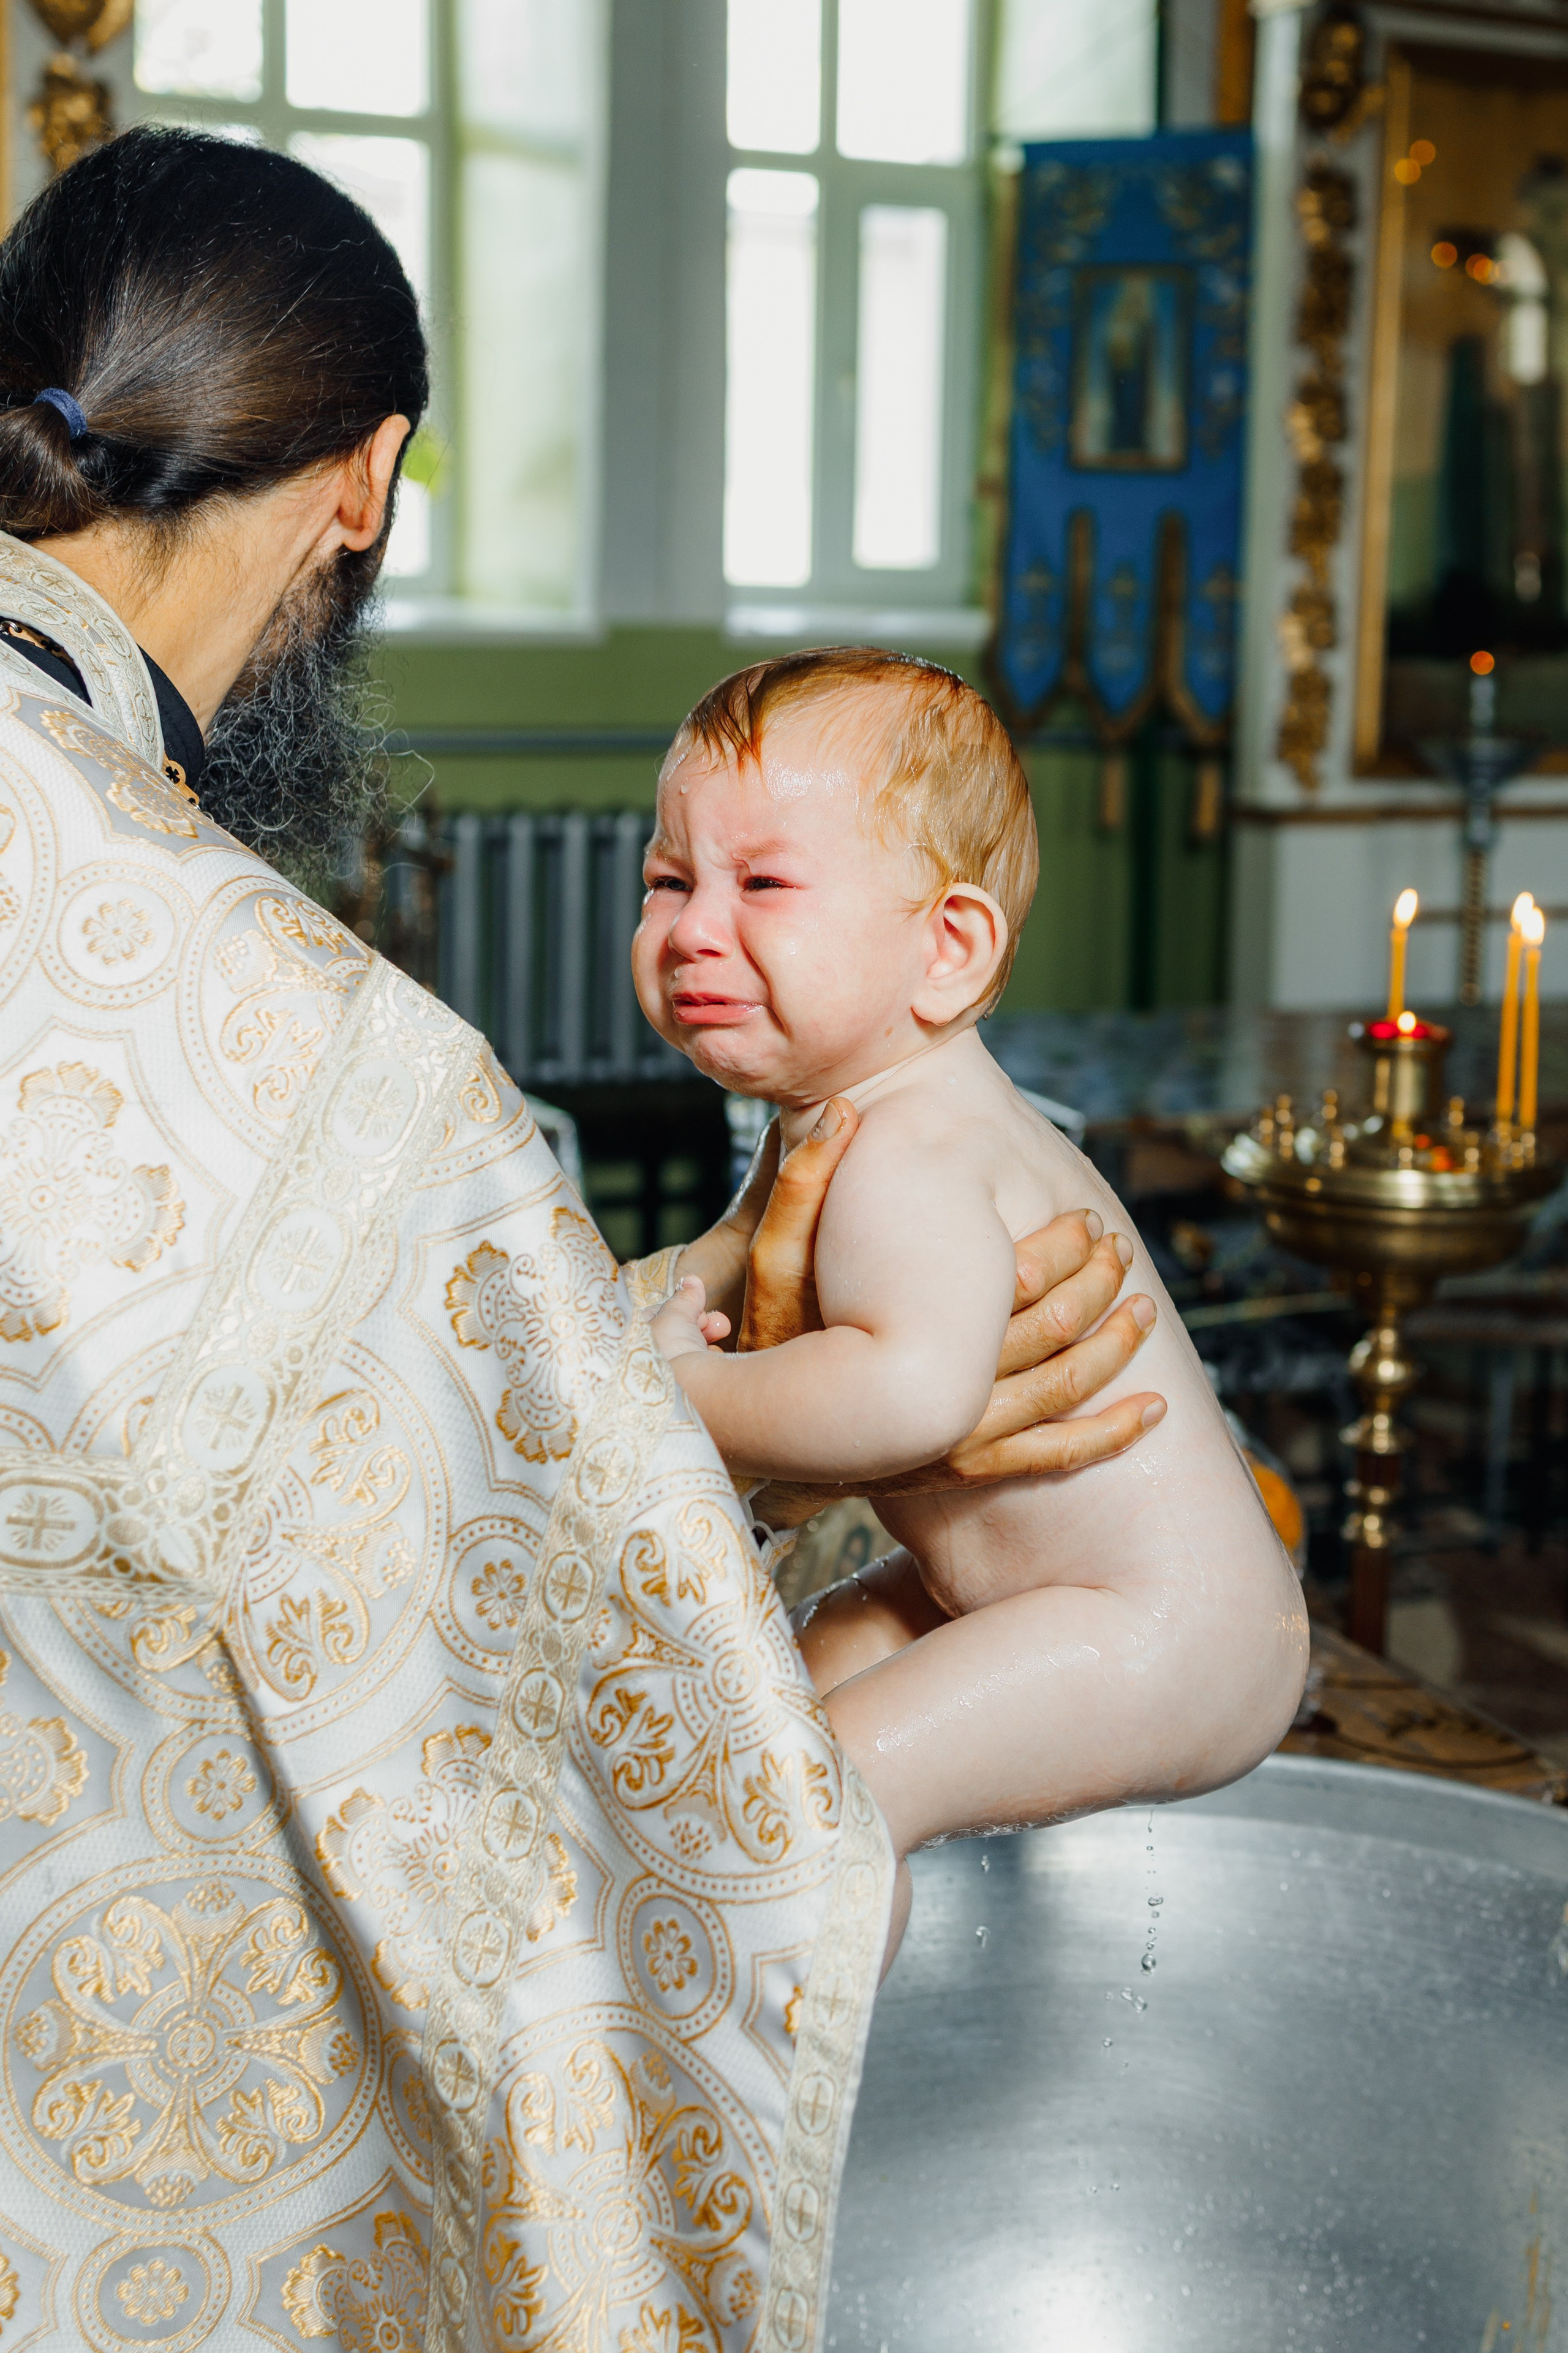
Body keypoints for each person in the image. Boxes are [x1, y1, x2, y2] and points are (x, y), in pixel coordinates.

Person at [0, 130, 1164, 2350]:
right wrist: (864, 1434)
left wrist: (684, 1313)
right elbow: (507, 1611)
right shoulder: (303, 1036)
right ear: (365, 479)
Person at [637, 648, 1310, 1952]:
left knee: (821, 1797)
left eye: (762, 883)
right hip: (1017, 1591)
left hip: (1157, 1629)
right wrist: (620, 1322)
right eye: (669, 880)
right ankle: (760, 2019)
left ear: (945, 949)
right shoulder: (845, 1112)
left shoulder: (912, 1147)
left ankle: (807, 2097)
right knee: (785, 1695)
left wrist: (679, 1393)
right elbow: (730, 1258)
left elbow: (908, 1393)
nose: (692, 928)